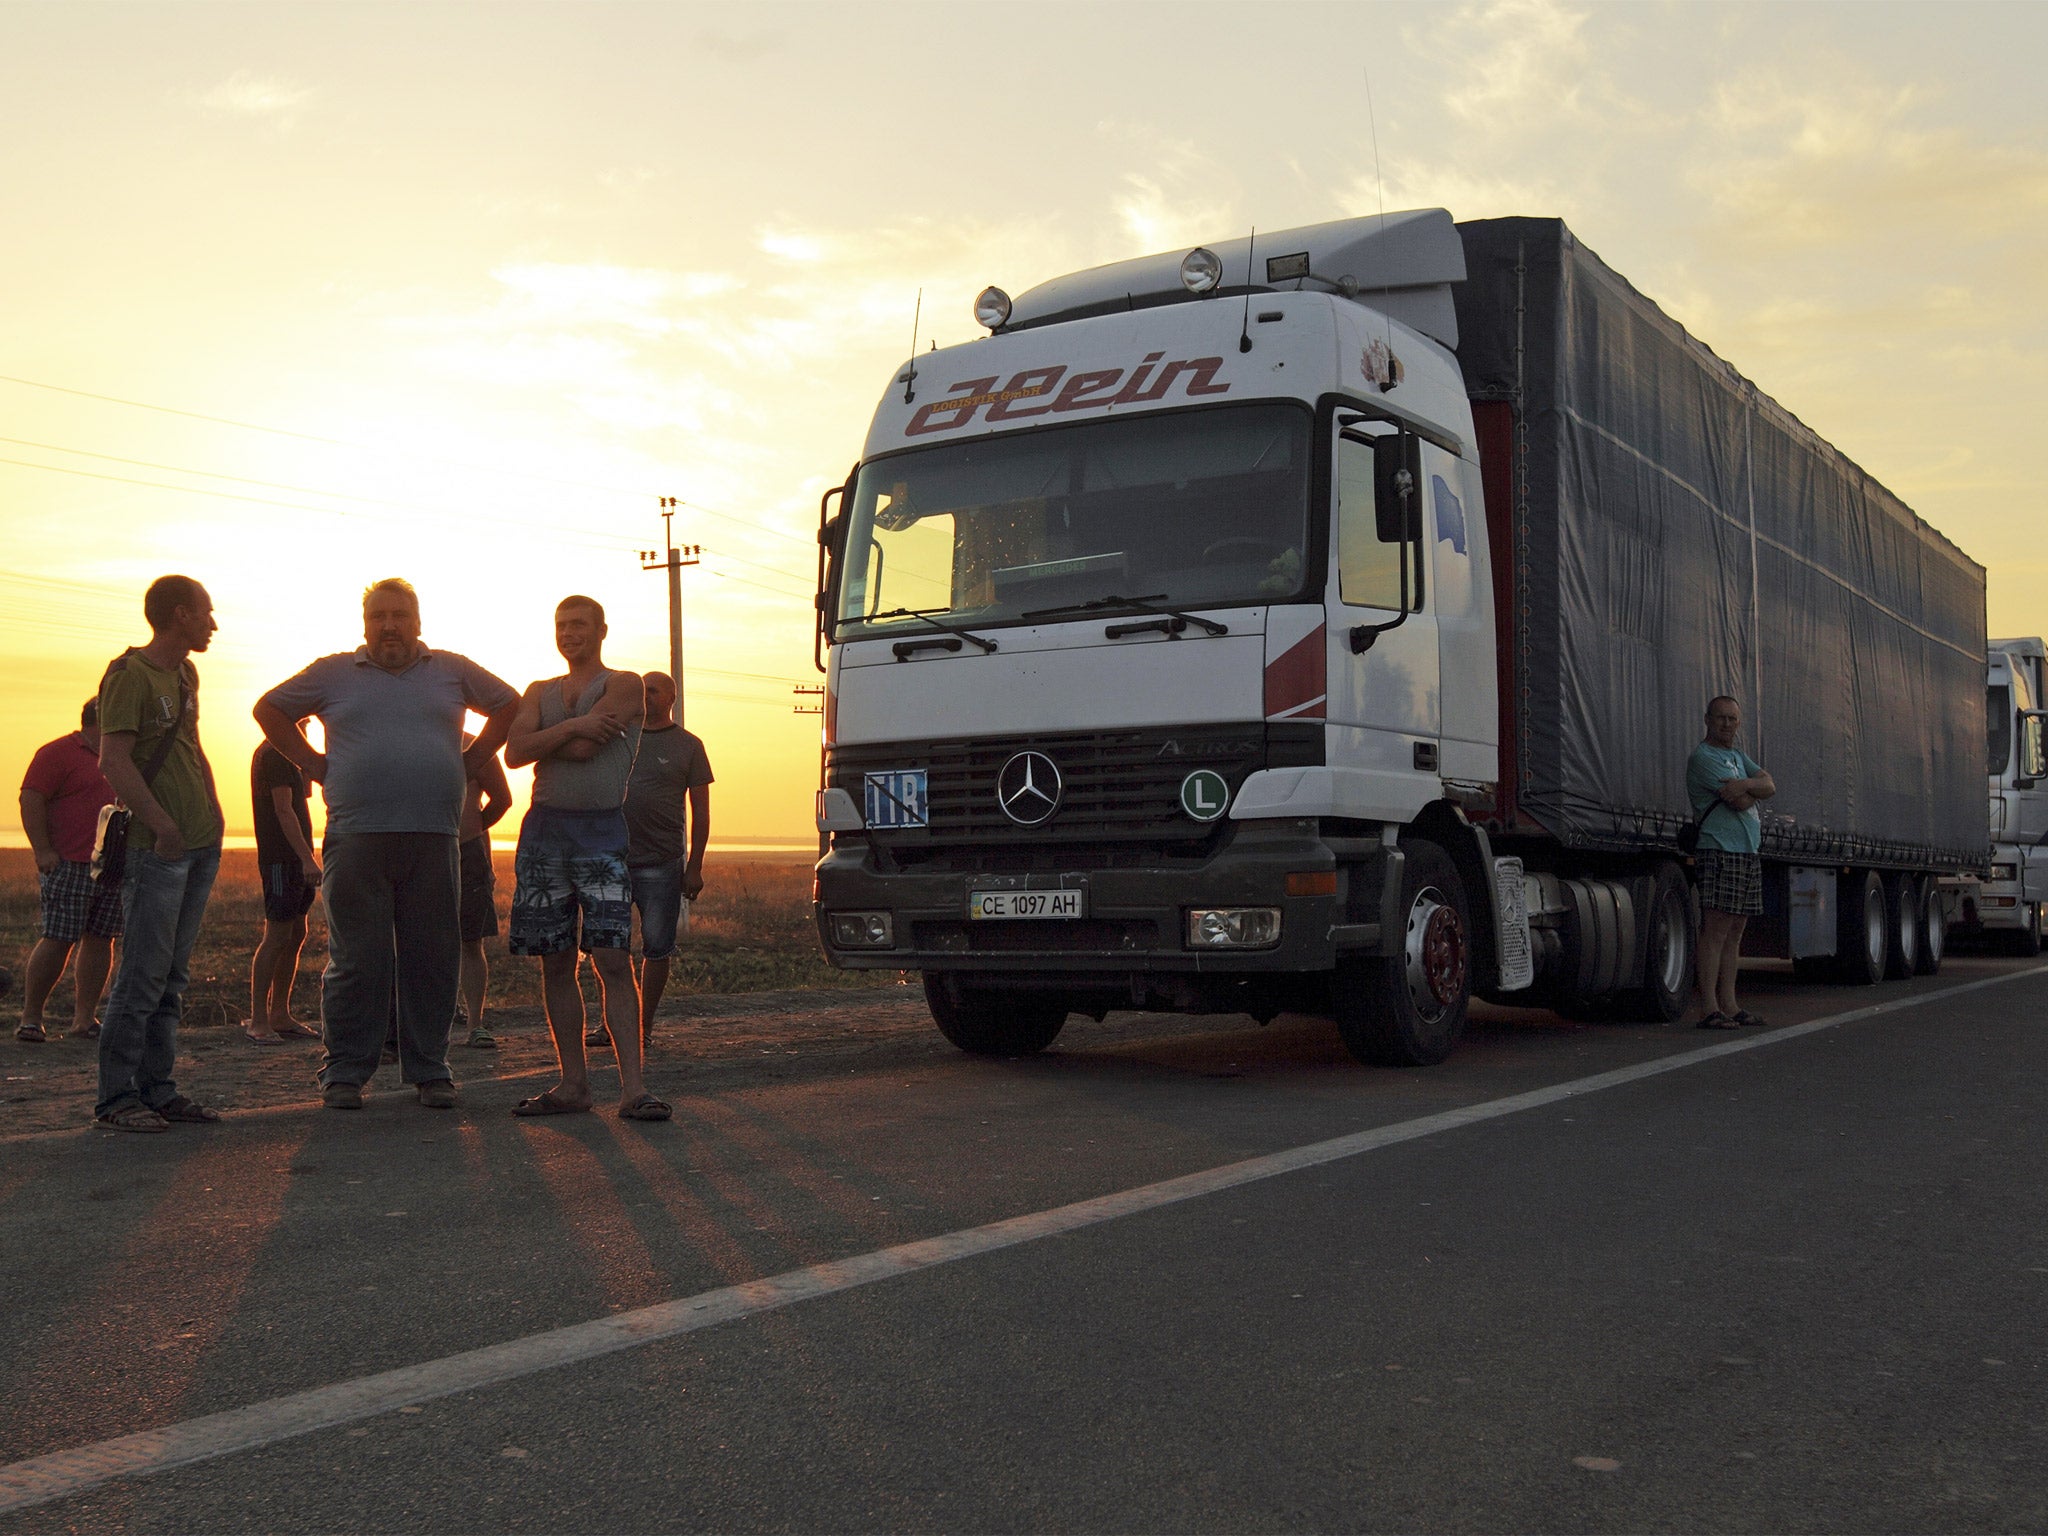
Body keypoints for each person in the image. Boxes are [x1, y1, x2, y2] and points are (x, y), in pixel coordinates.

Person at [253, 578, 518, 1111]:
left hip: (434, 835)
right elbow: (269, 709)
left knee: (432, 956)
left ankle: (430, 1069)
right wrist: (312, 763)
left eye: (400, 615)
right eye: (379, 616)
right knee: (357, 959)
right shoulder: (332, 672)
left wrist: (470, 761)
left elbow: (509, 703)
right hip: (355, 837)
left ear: (418, 622)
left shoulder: (451, 669)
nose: (389, 625)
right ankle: (345, 1072)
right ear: (365, 623)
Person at [504, 595, 669, 1121]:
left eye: (578, 625)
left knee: (613, 961)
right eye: (560, 625)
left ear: (601, 630)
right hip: (543, 835)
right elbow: (513, 752)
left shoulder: (623, 684)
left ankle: (633, 1091)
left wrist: (546, 738)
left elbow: (572, 754)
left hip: (601, 835)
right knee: (555, 962)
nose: (568, 633)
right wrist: (575, 726)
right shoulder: (538, 690)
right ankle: (573, 1085)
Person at [93, 576, 227, 1132]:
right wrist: (164, 826)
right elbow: (113, 761)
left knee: (171, 977)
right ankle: (117, 1100)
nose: (213, 624)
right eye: (206, 614)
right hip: (157, 851)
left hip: (199, 845)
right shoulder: (129, 676)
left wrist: (214, 814)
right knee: (142, 977)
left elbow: (191, 748)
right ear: (179, 615)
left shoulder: (185, 673)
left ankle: (158, 1090)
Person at [15, 700, 121, 1042]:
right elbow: (30, 798)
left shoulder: (124, 756)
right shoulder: (57, 752)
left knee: (101, 939)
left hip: (111, 865)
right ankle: (31, 1019)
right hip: (69, 862)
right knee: (59, 937)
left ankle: (84, 1020)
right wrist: (43, 850)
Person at [624, 670, 712, 1051]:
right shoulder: (620, 738)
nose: (645, 696)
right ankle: (609, 1024)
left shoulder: (689, 745)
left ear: (671, 697)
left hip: (661, 863)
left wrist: (694, 866)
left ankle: (642, 1026)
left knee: (657, 947)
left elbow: (702, 812)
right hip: (612, 858)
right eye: (641, 690)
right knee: (607, 947)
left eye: (653, 690)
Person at [1688, 694, 1776, 1029]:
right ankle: (1709, 1008)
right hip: (1719, 851)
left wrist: (1746, 783)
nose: (1727, 724)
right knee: (1715, 930)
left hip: (1746, 852)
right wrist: (1749, 789)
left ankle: (1730, 1004)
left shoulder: (1738, 757)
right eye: (1721, 718)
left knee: (1736, 932)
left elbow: (1769, 785)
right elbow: (1740, 802)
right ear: (1707, 719)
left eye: (1733, 719)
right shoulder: (1703, 757)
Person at [245, 733, 321, 1045]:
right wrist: (307, 858)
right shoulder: (274, 753)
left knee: (296, 933)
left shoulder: (289, 753)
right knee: (276, 936)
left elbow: (306, 795)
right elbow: (283, 809)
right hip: (281, 858)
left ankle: (280, 1013)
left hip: (297, 856)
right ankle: (259, 1020)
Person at [455, 731, 512, 1049]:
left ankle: (475, 1023)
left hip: (468, 854)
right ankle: (430, 1018)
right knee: (415, 941)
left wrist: (471, 831)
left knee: (470, 941)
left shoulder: (475, 745)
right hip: (421, 851)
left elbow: (502, 799)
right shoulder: (412, 735)